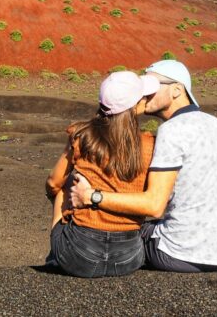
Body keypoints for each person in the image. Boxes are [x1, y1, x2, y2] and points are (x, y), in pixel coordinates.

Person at [70, 60, 217, 273]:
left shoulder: (172, 130)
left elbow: (154, 205)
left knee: (121, 238)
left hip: (180, 253)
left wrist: (92, 196)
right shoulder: (216, 124)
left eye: (151, 89)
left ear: (176, 90)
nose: (143, 96)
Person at [44, 71, 160, 278]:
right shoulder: (151, 144)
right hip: (129, 258)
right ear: (134, 107)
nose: (147, 99)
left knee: (64, 182)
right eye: (143, 96)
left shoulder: (82, 136)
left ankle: (55, 256)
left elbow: (53, 183)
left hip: (78, 256)